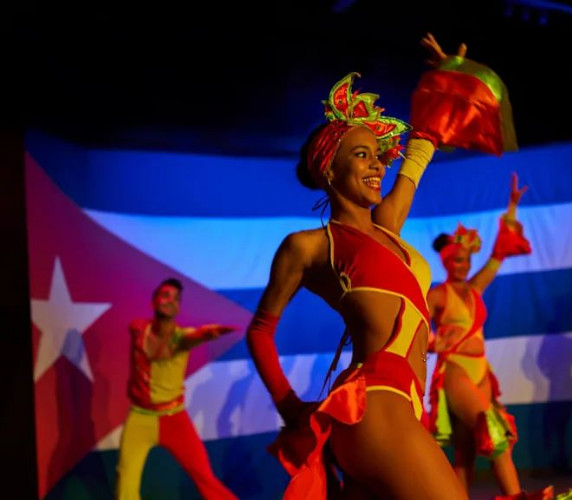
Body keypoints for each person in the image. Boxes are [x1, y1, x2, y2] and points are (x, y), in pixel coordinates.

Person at [245, 34, 519, 499]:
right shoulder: (310, 246)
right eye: (361, 155)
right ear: (329, 169)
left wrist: (447, 79)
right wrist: (290, 407)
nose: (377, 165)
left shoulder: (388, 227)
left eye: (377, 155)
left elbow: (422, 144)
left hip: (404, 410)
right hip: (375, 409)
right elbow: (260, 330)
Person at [426, 174, 539, 499]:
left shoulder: (475, 288)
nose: (462, 265)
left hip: (482, 372)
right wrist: (434, 343)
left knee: (466, 455)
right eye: (456, 260)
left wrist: (512, 206)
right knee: (496, 438)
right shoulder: (438, 295)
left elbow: (498, 254)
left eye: (465, 260)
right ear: (447, 262)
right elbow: (414, 326)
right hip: (456, 372)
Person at [116, 278, 237, 500]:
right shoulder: (138, 329)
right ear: (154, 301)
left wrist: (207, 334)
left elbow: (192, 338)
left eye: (176, 299)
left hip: (174, 418)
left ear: (178, 308)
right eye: (165, 295)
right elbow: (150, 345)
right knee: (125, 483)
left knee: (205, 478)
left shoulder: (182, 337)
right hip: (140, 418)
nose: (170, 301)